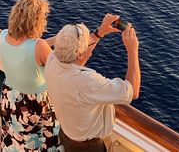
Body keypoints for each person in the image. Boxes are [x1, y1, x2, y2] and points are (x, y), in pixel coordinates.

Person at [44, 13, 140, 152]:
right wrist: (133, 50)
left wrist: (99, 33)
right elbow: (132, 91)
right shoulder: (87, 82)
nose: (90, 42)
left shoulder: (52, 59)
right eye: (87, 42)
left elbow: (80, 59)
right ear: (79, 53)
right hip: (89, 147)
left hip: (67, 134)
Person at [0, 0, 64, 151]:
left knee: (16, 139)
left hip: (11, 97)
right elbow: (62, 72)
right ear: (35, 20)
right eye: (43, 17)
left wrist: (56, 39)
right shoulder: (39, 46)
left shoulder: (3, 35)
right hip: (34, 105)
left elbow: (25, 48)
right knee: (44, 142)